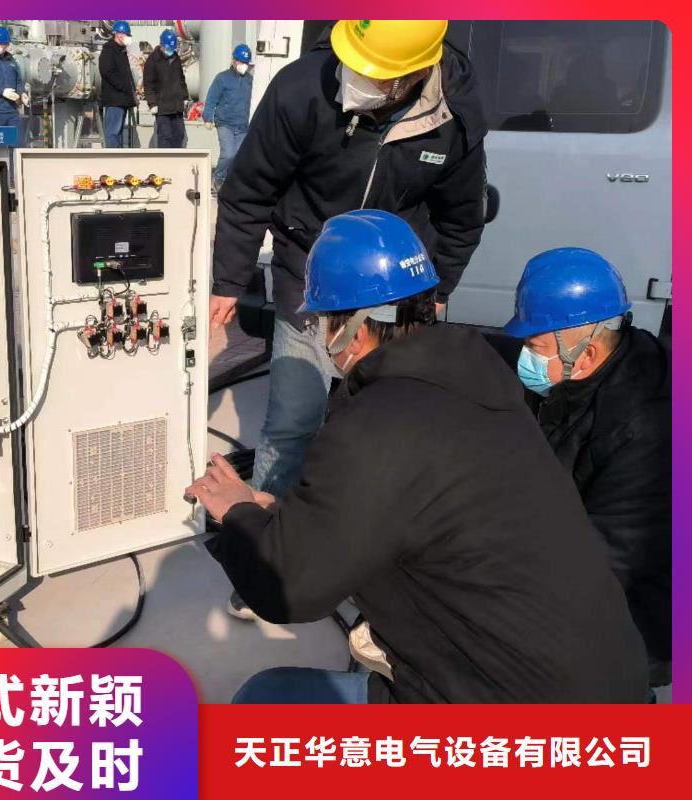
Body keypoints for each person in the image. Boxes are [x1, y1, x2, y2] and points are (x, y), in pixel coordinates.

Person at [186, 210, 648, 704]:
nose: (321, 335)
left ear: (353, 330)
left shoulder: (376, 426)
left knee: (266, 701)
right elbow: (409, 508)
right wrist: (287, 520)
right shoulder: (483, 381)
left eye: (322, 322)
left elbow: (288, 589)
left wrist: (238, 514)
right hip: (614, 690)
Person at [211, 19, 488, 618]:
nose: (356, 80)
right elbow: (248, 191)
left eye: (375, 75)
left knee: (387, 432)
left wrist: (437, 290)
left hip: (395, 298)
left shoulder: (455, 118)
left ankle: (377, 572)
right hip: (307, 285)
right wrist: (229, 281)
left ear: (414, 74)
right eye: (353, 64)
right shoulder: (300, 90)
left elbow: (461, 218)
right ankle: (265, 562)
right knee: (293, 422)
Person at [504, 247, 671, 690]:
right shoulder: (580, 373)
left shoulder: (645, 429)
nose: (525, 357)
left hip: (641, 613)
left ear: (588, 352)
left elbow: (605, 560)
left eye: (534, 347)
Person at [203, 44, 254, 192]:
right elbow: (211, 98)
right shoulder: (222, 78)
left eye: (246, 63)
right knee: (228, 154)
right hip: (225, 124)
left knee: (238, 157)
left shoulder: (250, 80)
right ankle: (218, 179)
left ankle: (230, 183)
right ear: (234, 60)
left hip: (243, 125)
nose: (243, 65)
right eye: (241, 62)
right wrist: (208, 118)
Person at [143, 29, 189, 148]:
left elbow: (181, 80)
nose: (170, 51)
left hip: (177, 107)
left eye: (172, 49)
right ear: (162, 45)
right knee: (165, 136)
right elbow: (148, 84)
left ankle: (176, 159)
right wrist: (152, 104)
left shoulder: (176, 58)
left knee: (179, 135)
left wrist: (185, 97)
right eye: (168, 48)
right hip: (162, 108)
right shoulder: (153, 61)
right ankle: (164, 160)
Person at [99, 21, 137, 148]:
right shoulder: (109, 50)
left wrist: (131, 92)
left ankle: (118, 156)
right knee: (113, 133)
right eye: (126, 35)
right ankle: (112, 157)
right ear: (119, 34)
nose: (128, 38)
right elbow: (106, 71)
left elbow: (126, 74)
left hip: (122, 99)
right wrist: (123, 86)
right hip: (114, 99)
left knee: (118, 132)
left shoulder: (121, 51)